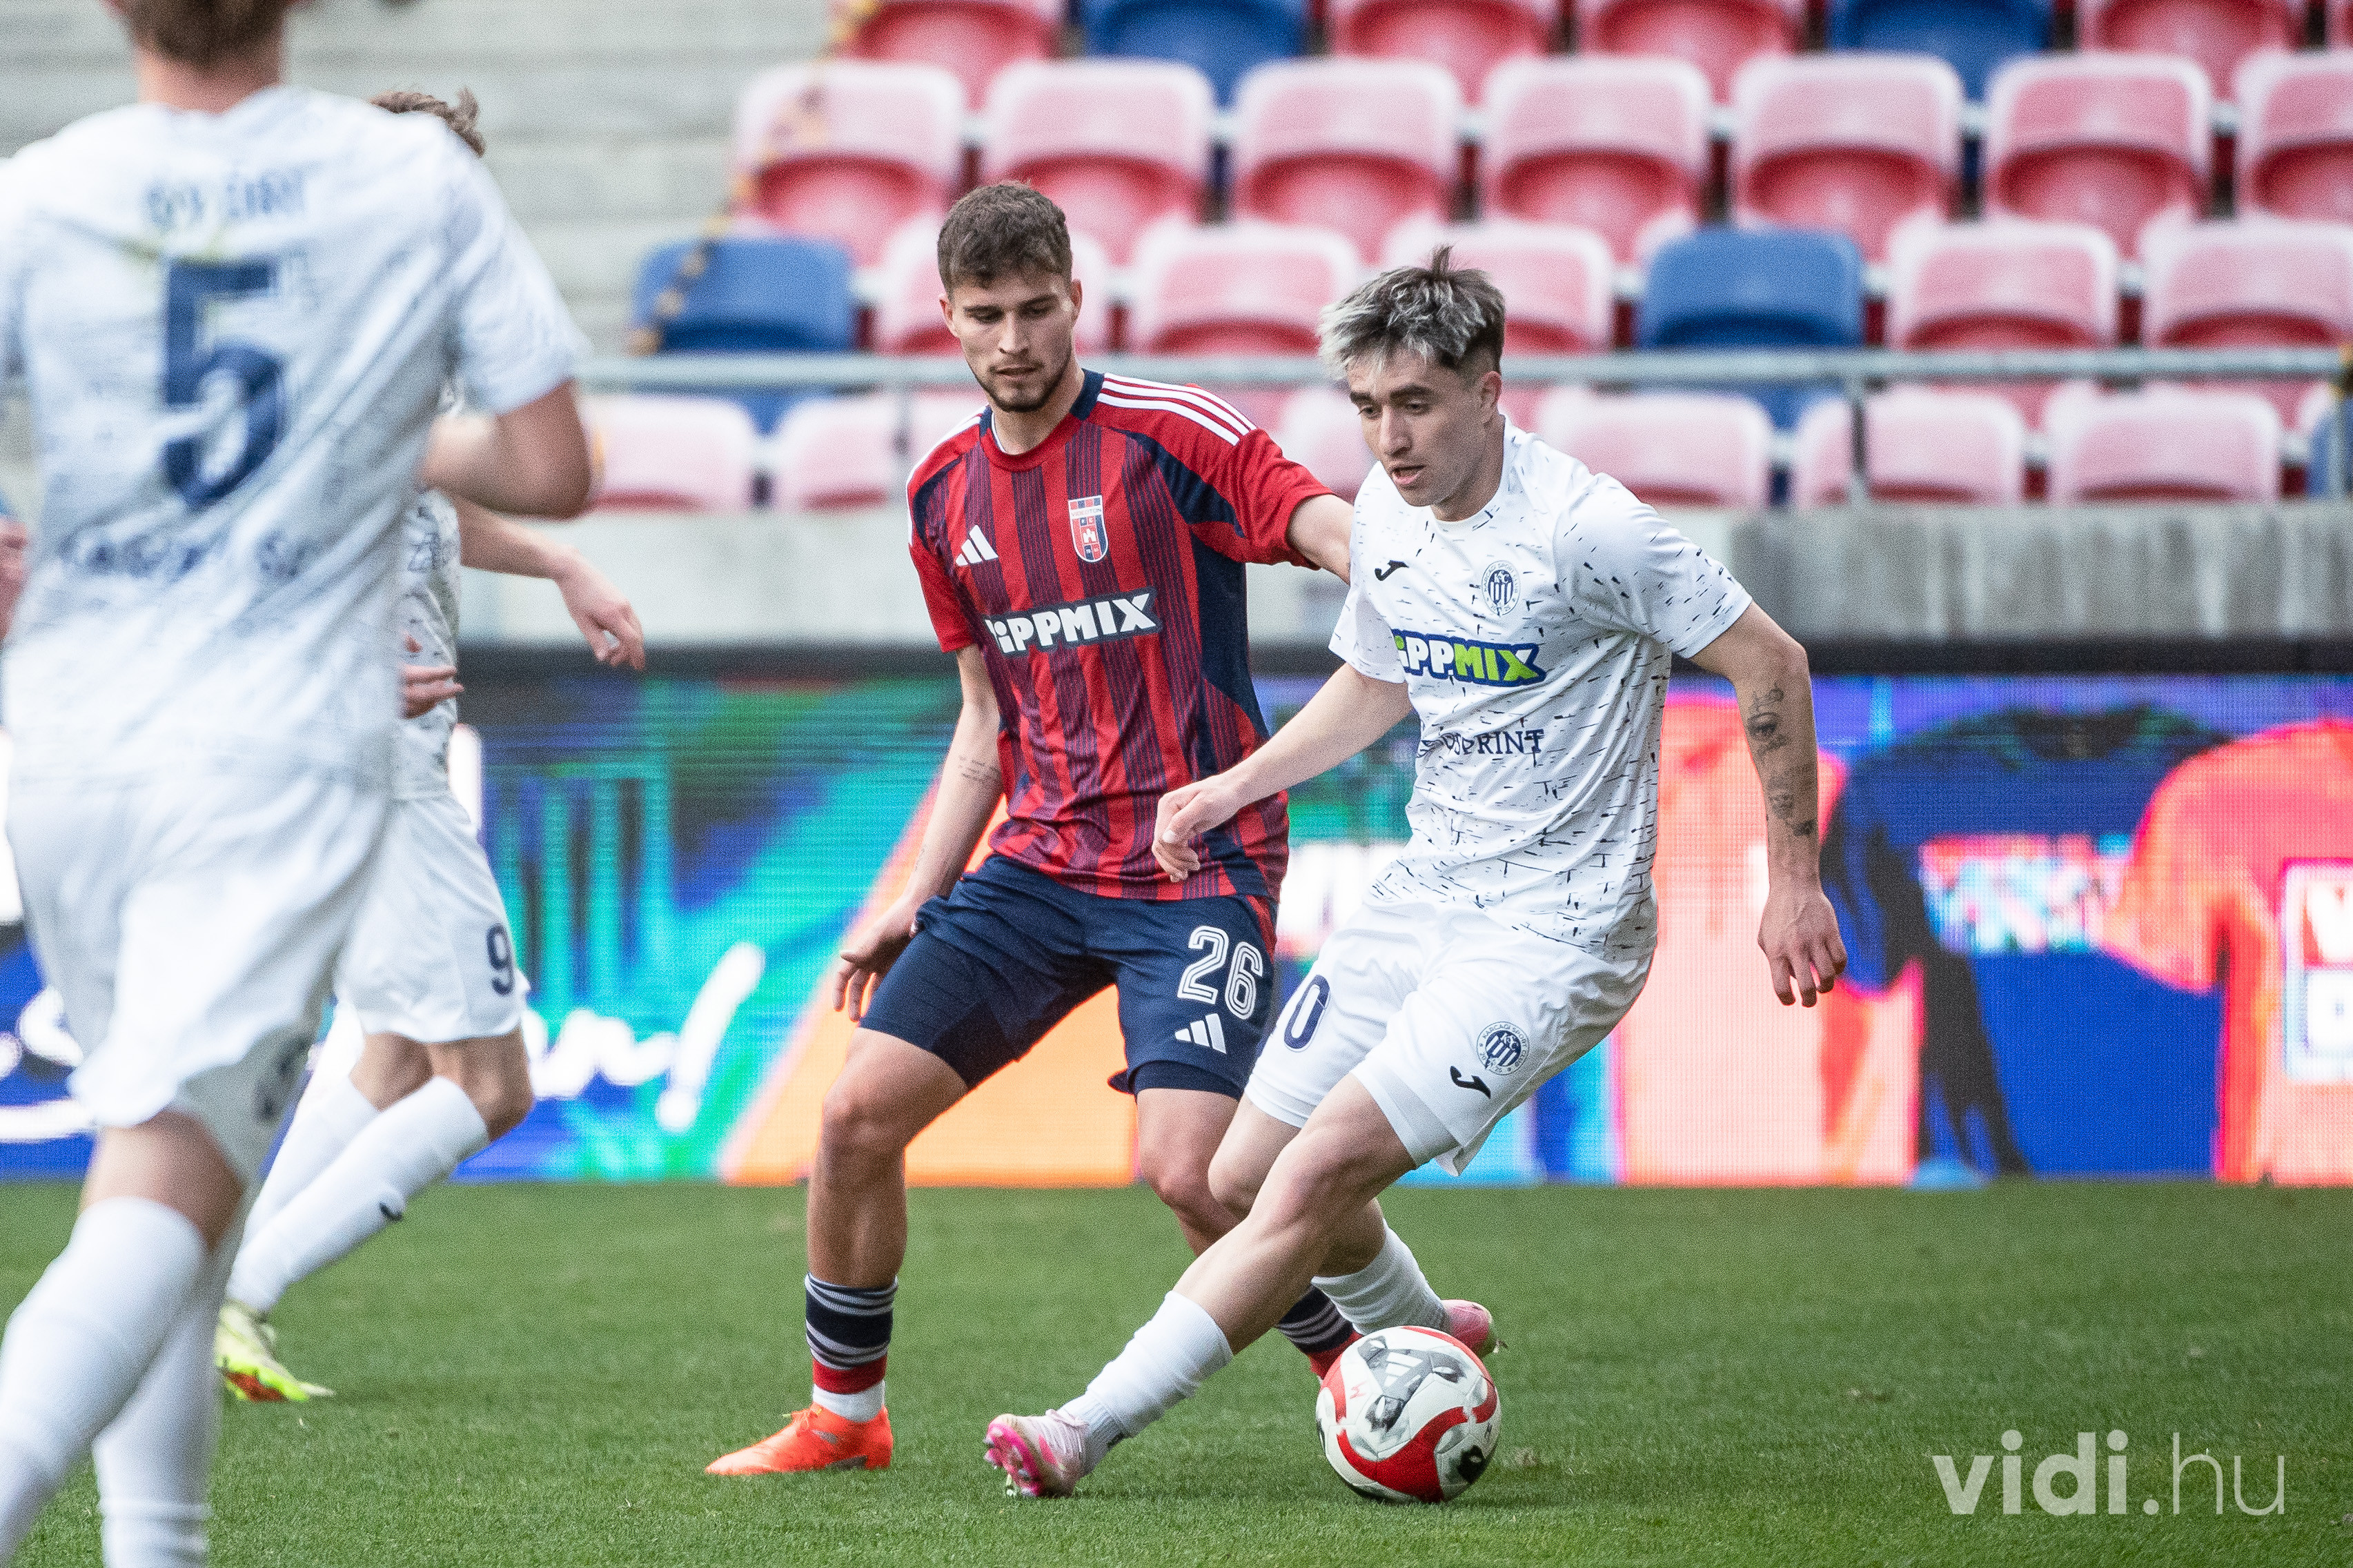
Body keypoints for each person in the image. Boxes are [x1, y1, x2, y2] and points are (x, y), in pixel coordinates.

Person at [981, 250, 1849, 1498]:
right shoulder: (1386, 517)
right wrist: (1237, 785)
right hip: (1426, 892)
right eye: (1368, 407)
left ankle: (1079, 1427)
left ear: (1489, 393)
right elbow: (1382, 678)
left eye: (1417, 405)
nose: (1389, 437)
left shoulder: (1589, 530)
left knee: (1313, 1173)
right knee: (1235, 1174)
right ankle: (1428, 1326)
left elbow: (1773, 664)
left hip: (1554, 932)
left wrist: (1792, 882)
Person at [0, 2, 592, 1559]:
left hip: (71, 746)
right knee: (171, 1203)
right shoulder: (405, 181)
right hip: (272, 751)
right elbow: (552, 467)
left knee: (170, 1181)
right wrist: (373, 439)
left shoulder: (42, 186)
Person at [705, 182, 1379, 1478]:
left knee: (1194, 1175)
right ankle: (845, 1416)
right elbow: (984, 720)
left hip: (1196, 864)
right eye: (985, 315)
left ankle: (1372, 1369)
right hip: (1037, 866)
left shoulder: (1169, 436)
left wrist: (1414, 586)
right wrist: (921, 890)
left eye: (1034, 309)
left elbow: (1326, 528)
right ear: (946, 318)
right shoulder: (941, 494)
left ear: (1075, 298)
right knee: (852, 1120)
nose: (1013, 340)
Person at [208, 86, 644, 1407]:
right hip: (374, 761)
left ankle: (211, 1284)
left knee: (393, 1047)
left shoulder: (398, 343)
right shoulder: (325, 354)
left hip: (368, 756)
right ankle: (233, 1293)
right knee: (493, 1082)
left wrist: (559, 562)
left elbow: (429, 505)